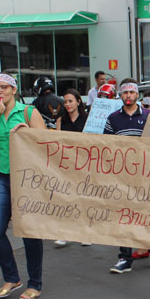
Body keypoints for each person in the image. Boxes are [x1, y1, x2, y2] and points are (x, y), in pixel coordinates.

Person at [0, 74, 47, 299]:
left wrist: (26, 132)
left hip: (27, 179)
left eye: (4, 87)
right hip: (2, 175)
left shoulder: (29, 112)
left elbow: (46, 145)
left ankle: (34, 283)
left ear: (14, 89)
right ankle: (11, 277)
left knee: (29, 232)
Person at [105, 81, 150, 272]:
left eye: (132, 92)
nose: (129, 95)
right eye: (125, 92)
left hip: (147, 175)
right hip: (122, 176)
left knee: (147, 214)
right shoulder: (113, 118)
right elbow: (105, 145)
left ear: (137, 95)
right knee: (123, 216)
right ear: (120, 96)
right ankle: (125, 258)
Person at [53, 88, 91, 248]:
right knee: (67, 198)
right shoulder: (61, 120)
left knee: (84, 198)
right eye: (65, 101)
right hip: (67, 164)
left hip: (85, 163)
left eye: (70, 101)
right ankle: (65, 233)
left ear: (78, 101)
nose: (68, 104)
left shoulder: (88, 118)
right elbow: (57, 141)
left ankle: (86, 233)